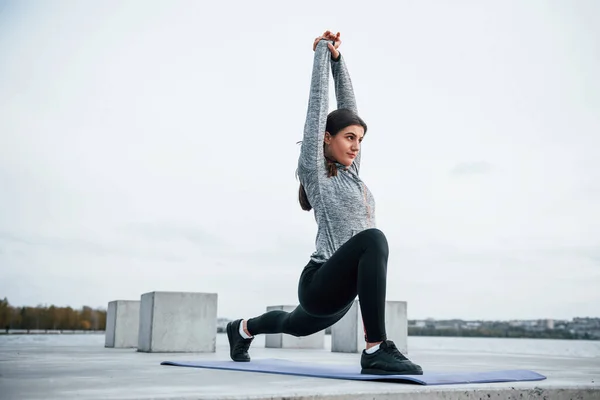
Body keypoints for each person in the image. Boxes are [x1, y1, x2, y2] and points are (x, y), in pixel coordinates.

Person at [226, 31, 423, 376]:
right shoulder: (316, 171)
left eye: (360, 140)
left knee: (293, 324)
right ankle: (376, 348)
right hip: (319, 282)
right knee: (374, 239)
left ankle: (241, 329)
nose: (356, 146)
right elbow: (318, 107)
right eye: (349, 138)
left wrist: (338, 62)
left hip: (339, 296)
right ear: (326, 139)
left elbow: (349, 107)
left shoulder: (352, 173)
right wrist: (320, 53)